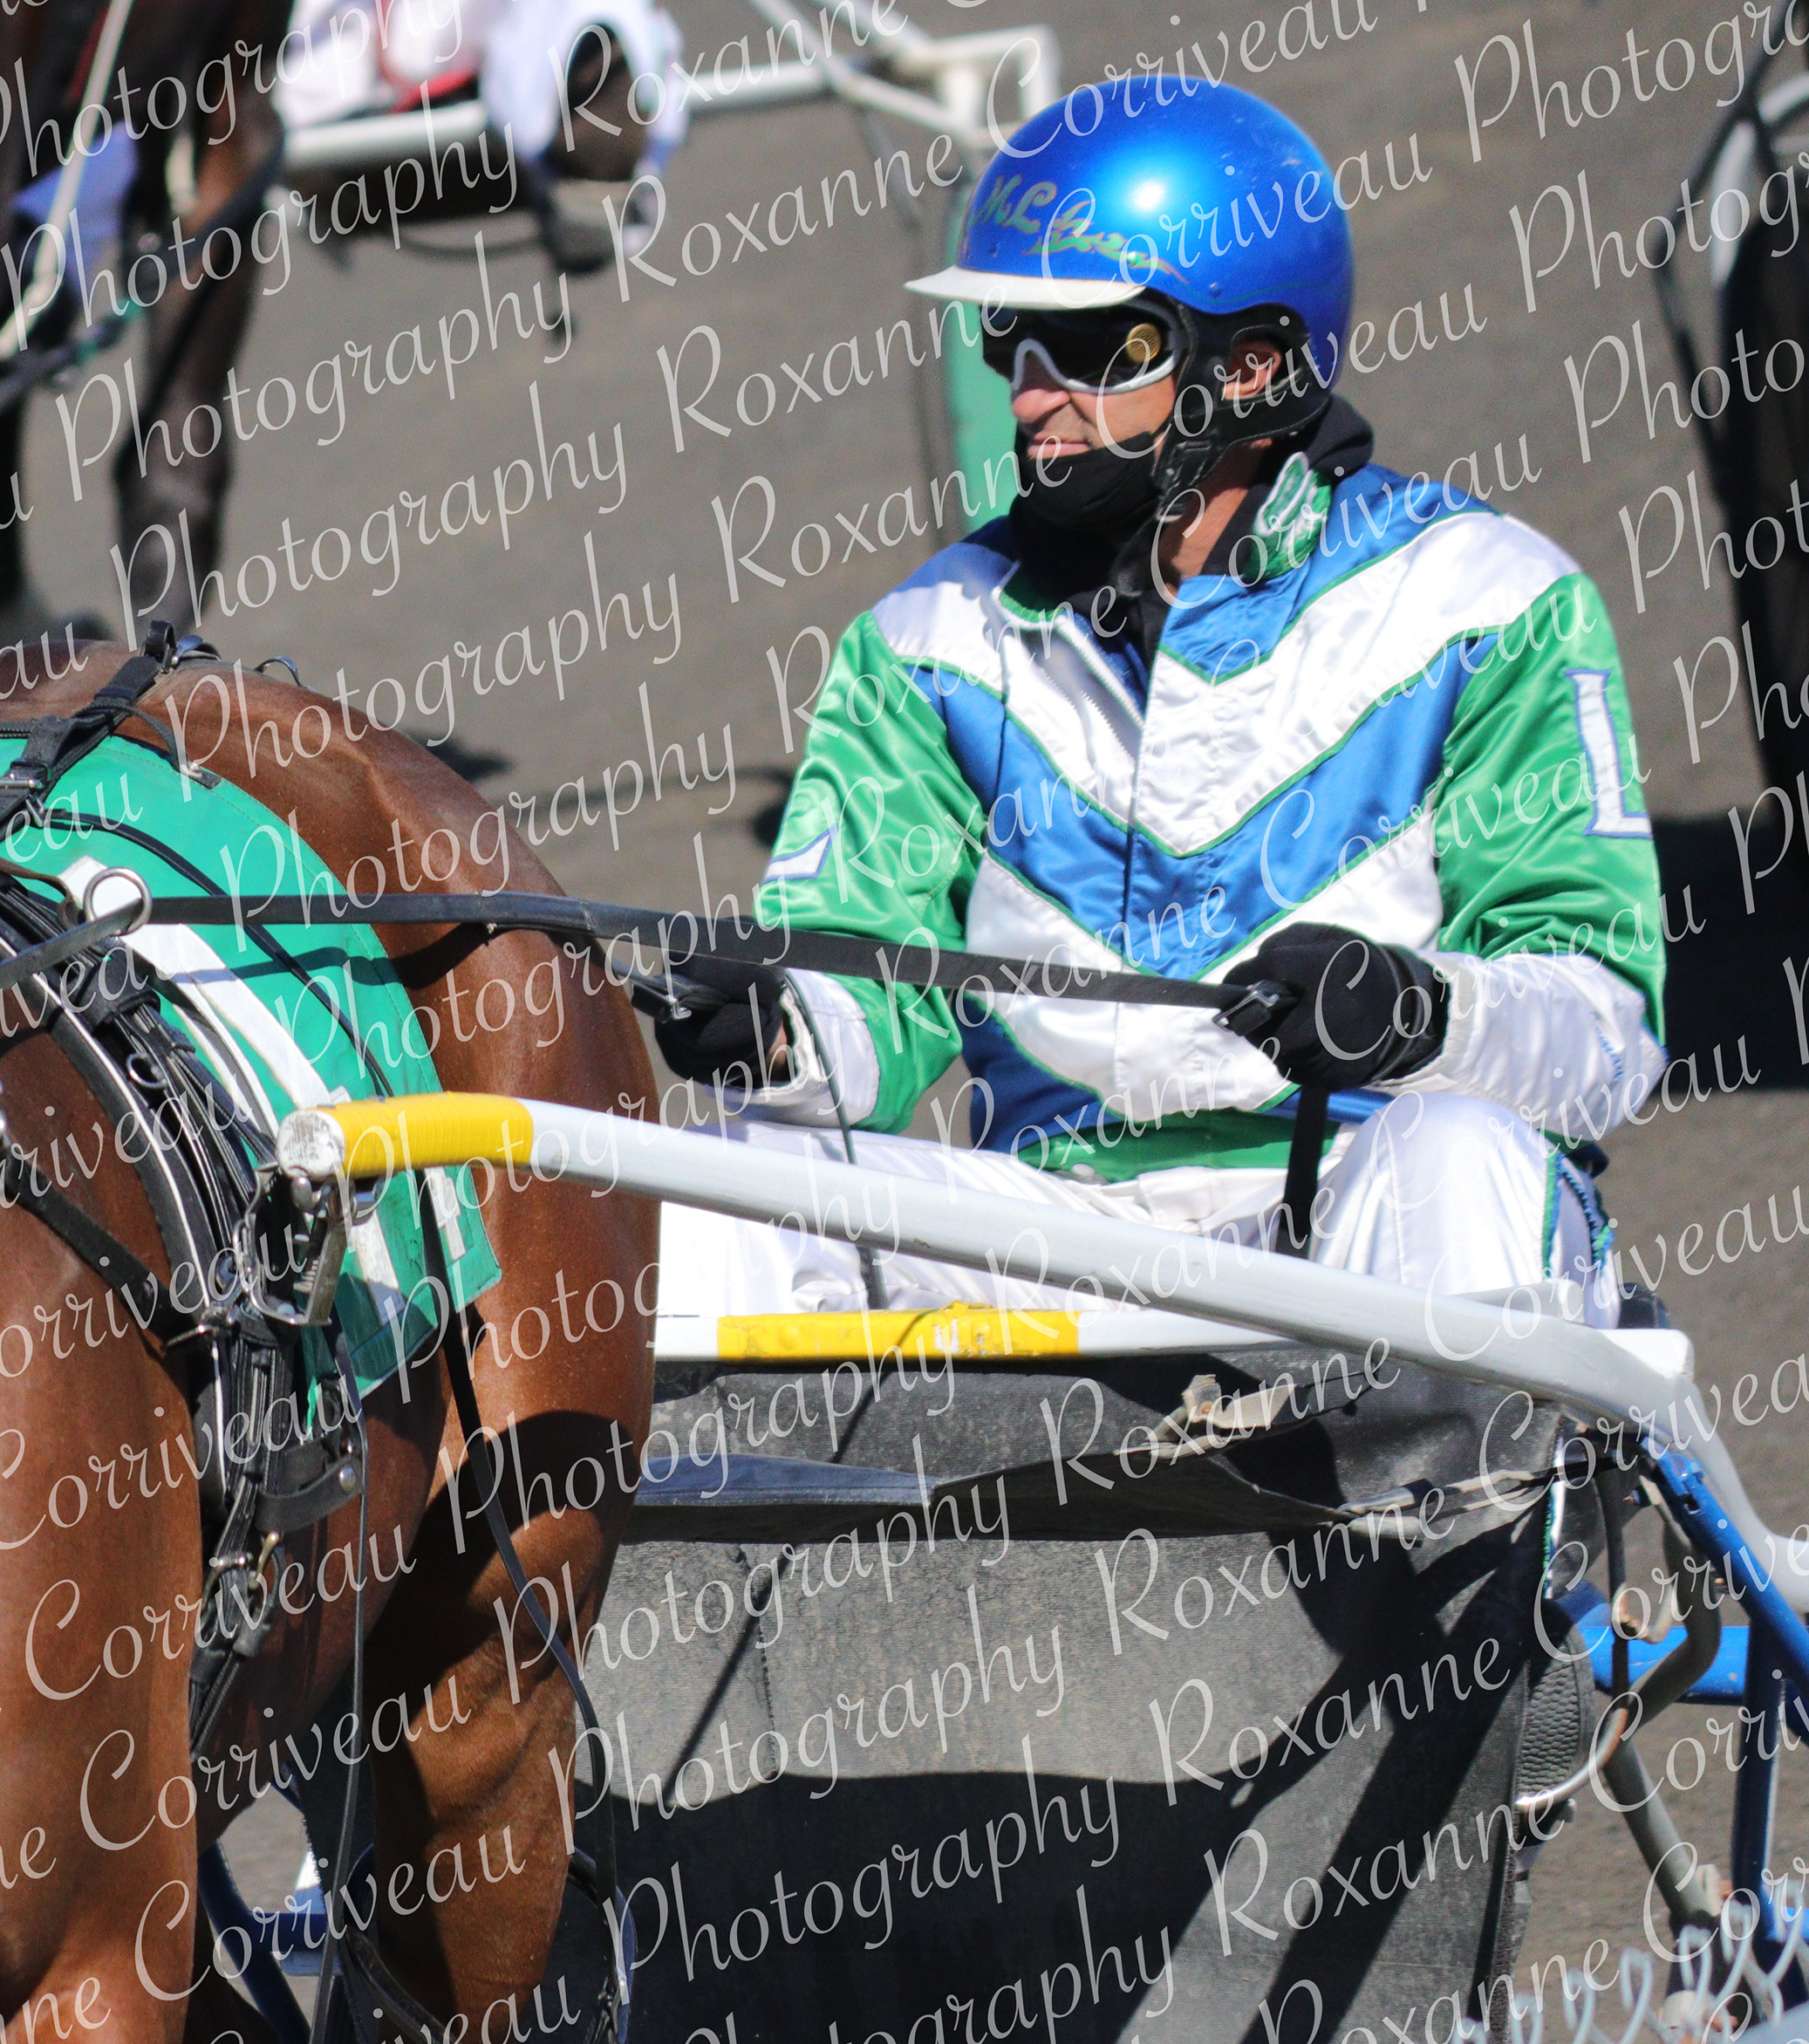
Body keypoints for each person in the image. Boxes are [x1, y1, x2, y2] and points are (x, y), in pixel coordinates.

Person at [646, 78, 1669, 1326]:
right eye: (1013, 340)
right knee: (716, 1186)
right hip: (1052, 1224)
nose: (1031, 396)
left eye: (1092, 349)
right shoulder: (923, 645)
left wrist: (1422, 1013)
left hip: (1370, 1200)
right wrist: (778, 1026)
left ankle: (1445, 1462)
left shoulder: (1493, 604)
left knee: (1461, 1153)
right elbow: (867, 984)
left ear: (1252, 365)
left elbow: (1607, 1034)